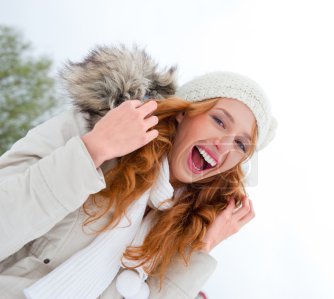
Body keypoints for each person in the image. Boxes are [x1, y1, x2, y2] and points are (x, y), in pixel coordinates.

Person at [0, 46, 277, 299]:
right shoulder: (92, 130)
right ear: (184, 112)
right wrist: (93, 151)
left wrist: (201, 249)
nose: (224, 145)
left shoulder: (184, 230)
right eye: (218, 121)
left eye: (241, 144)